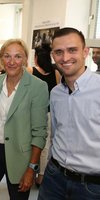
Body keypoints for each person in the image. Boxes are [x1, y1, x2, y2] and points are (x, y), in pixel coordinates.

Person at [0, 39, 49, 200]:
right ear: (1, 58)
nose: (11, 62)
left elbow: (39, 132)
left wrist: (32, 168)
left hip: (21, 155)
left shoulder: (38, 87)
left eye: (18, 56)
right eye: (7, 56)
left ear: (25, 59)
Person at [38, 27, 100, 200]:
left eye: (72, 50)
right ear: (52, 55)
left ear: (85, 52)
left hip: (92, 186)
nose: (65, 58)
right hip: (54, 178)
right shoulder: (56, 93)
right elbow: (55, 134)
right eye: (59, 52)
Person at [26, 43, 61, 186]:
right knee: (46, 144)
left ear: (36, 58)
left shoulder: (30, 71)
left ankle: (30, 171)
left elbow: (26, 94)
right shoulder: (56, 71)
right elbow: (57, 93)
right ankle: (41, 175)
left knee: (31, 143)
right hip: (49, 113)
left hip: (32, 113)